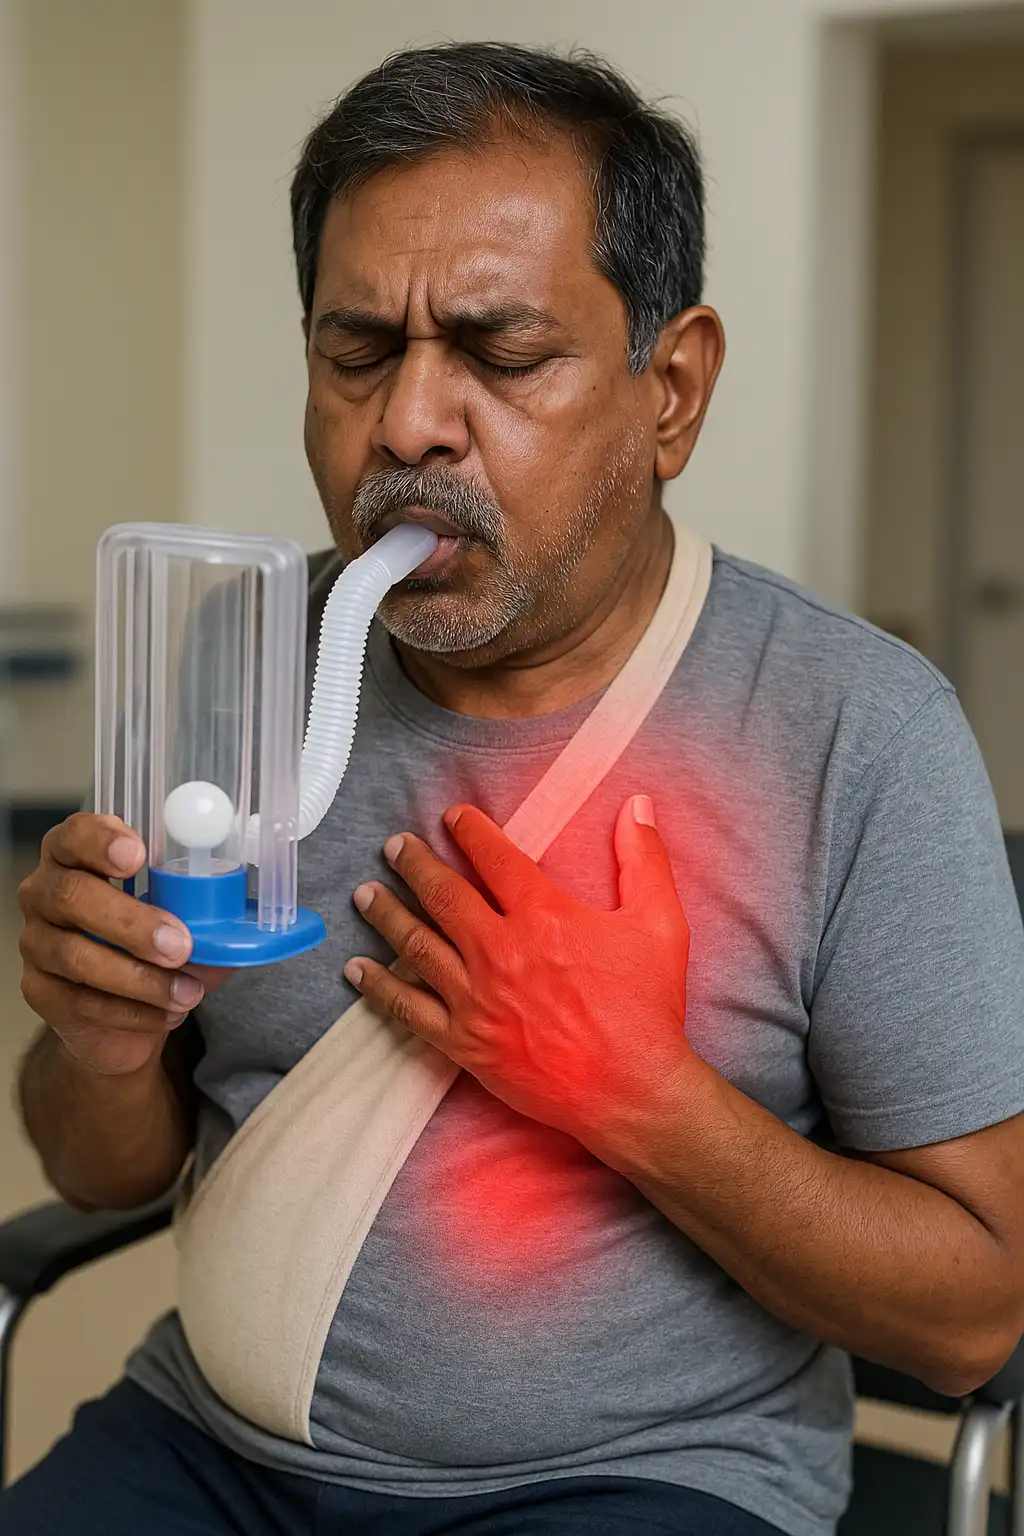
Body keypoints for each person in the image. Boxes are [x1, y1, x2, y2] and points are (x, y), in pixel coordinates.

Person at [7, 41, 1024, 1536]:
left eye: (501, 353)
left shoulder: (858, 732)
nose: (408, 425)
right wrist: (95, 1041)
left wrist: (639, 1097)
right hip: (207, 1454)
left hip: (643, 1484)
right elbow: (105, 1169)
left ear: (669, 390)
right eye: (358, 352)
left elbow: (974, 1317)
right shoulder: (237, 660)